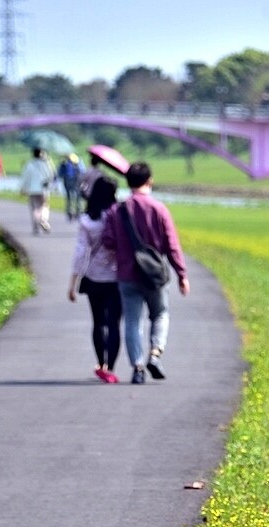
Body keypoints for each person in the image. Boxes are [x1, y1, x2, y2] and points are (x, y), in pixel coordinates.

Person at [102, 161, 190, 384]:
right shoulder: (159, 209)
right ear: (150, 181)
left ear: (128, 182)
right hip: (154, 275)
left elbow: (108, 241)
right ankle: (155, 353)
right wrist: (182, 274)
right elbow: (172, 245)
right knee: (160, 314)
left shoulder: (117, 210)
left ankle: (138, 367)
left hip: (127, 274)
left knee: (132, 320)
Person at [67, 176, 122, 384]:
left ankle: (102, 364)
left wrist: (72, 283)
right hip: (117, 277)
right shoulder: (118, 216)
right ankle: (112, 368)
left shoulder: (87, 221)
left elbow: (81, 253)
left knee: (98, 323)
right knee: (115, 324)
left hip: (93, 278)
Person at [20, 147, 56, 235]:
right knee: (44, 206)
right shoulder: (46, 164)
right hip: (43, 190)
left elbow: (25, 178)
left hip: (32, 190)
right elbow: (52, 175)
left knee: (35, 208)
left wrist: (23, 188)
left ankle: (36, 226)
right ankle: (43, 220)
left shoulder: (29, 164)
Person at [57, 153, 83, 220]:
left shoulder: (65, 163)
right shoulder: (77, 162)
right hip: (75, 181)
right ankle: (77, 211)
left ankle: (71, 211)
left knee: (69, 197)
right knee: (77, 196)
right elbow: (82, 171)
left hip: (68, 181)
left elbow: (59, 174)